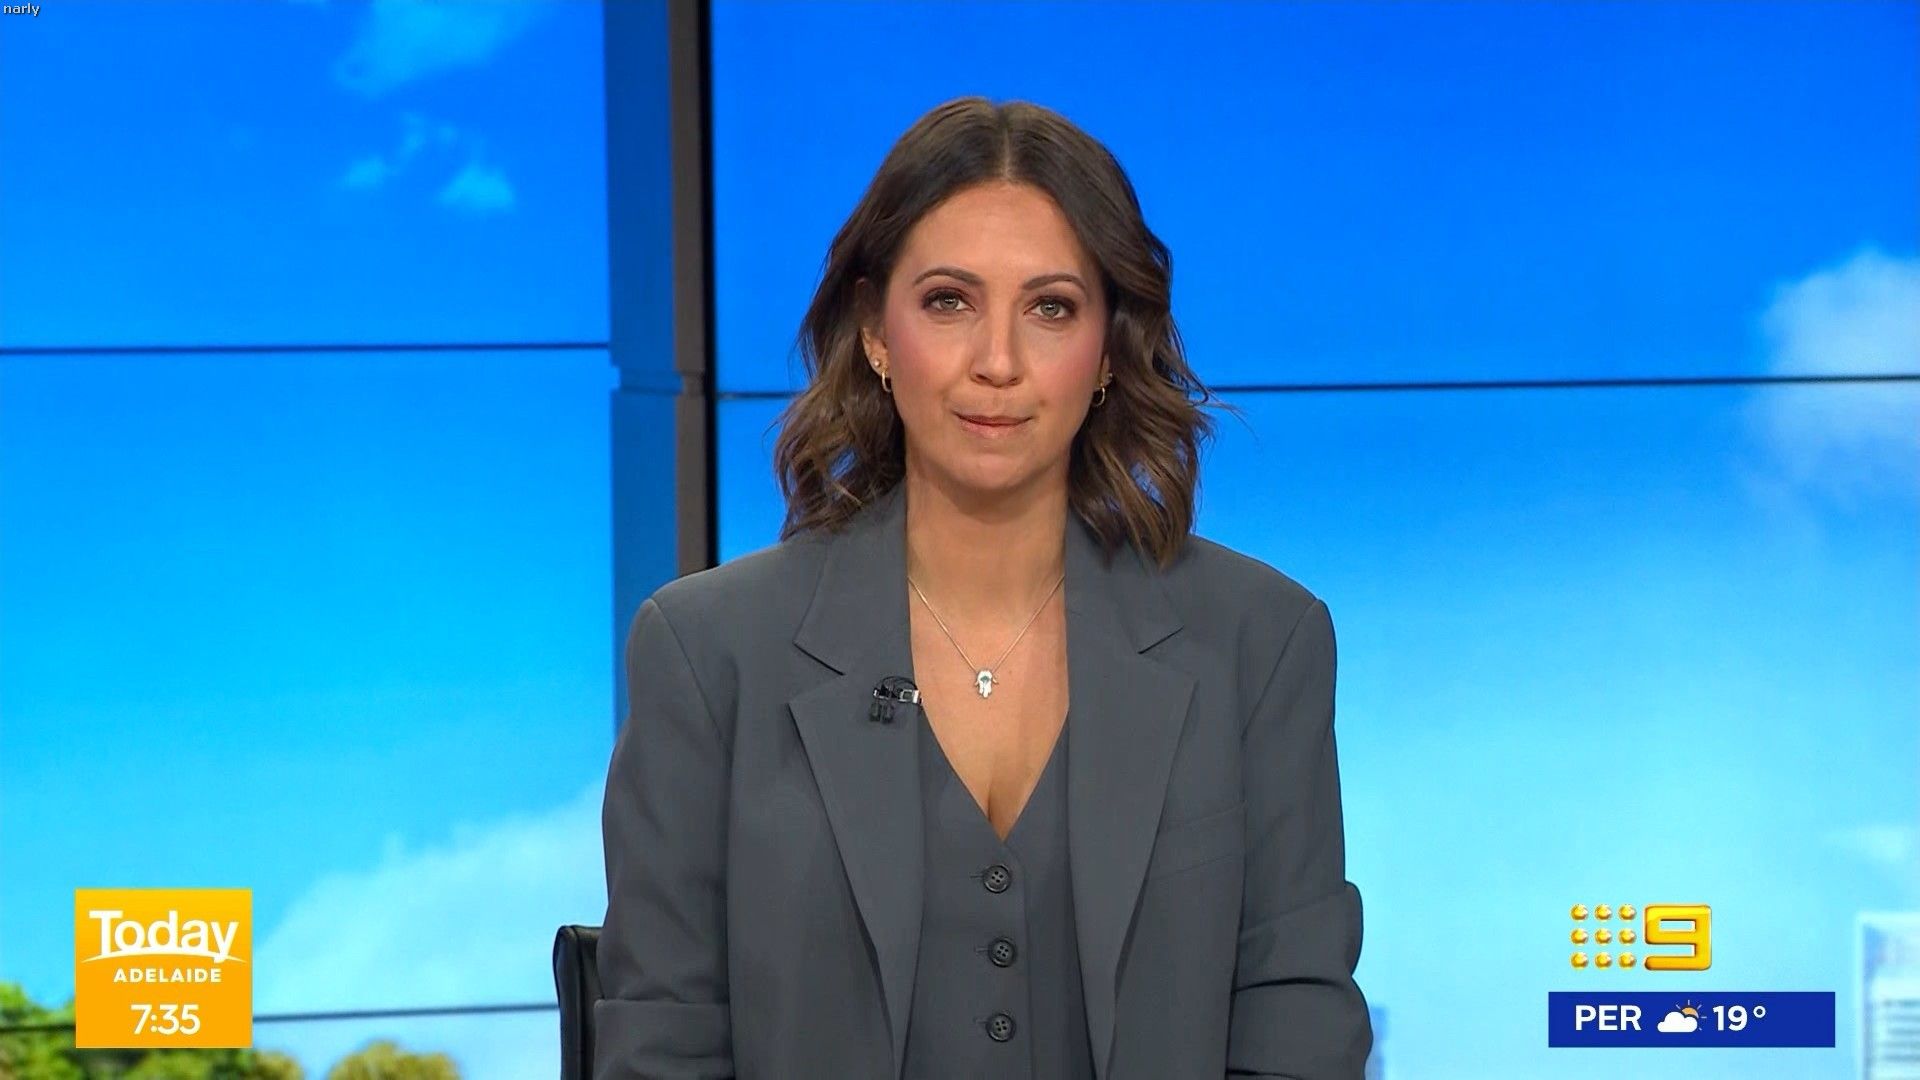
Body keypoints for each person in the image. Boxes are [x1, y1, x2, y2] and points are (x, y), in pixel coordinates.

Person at [595, 96, 1371, 1080]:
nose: (997, 363)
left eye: (1050, 308)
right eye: (949, 302)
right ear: (876, 332)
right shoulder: (709, 654)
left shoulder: (1260, 642)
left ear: (1107, 349)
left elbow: (1297, 1032)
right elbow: (660, 1048)